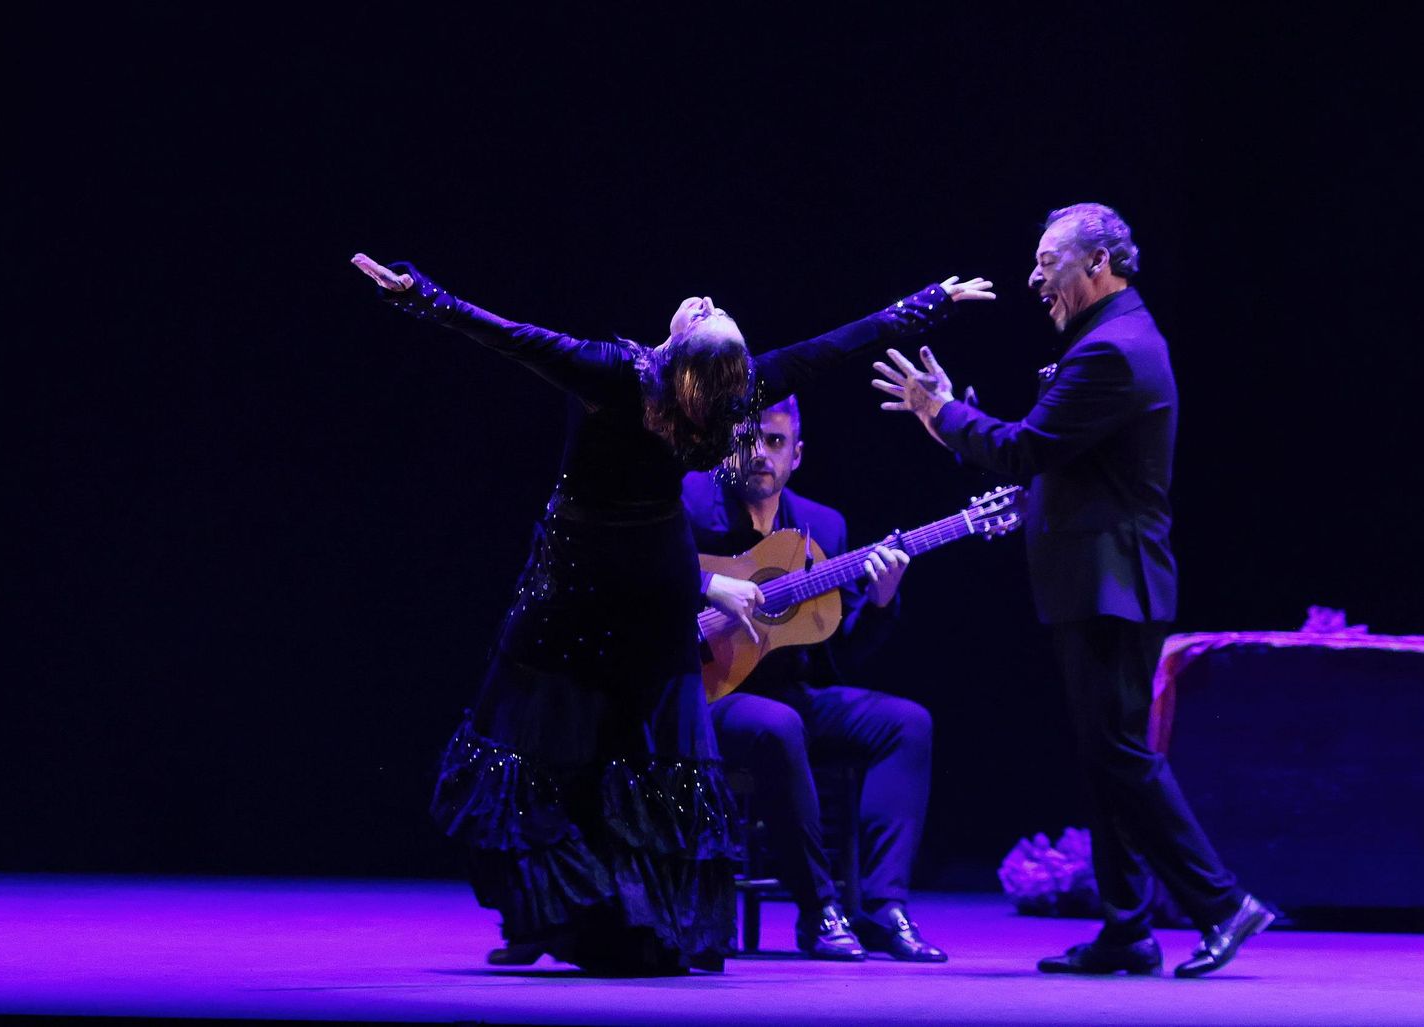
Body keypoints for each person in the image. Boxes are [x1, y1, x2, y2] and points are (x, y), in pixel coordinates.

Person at [352, 253, 992, 975]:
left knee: (556, 745)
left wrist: (423, 296)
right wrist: (932, 299)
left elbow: (511, 335)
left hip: (582, 581)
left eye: (707, 312)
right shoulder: (737, 390)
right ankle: (562, 915)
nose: (706, 296)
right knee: (618, 753)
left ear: (684, 351)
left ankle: (597, 915)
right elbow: (834, 347)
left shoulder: (616, 373)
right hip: (650, 581)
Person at [870, 204, 1272, 978]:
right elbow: (1048, 455)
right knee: (1103, 756)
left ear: (1098, 264)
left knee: (1121, 752)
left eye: (1047, 260)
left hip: (1113, 583)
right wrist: (951, 420)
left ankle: (1223, 903)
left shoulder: (1113, 352)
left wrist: (942, 411)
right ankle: (1127, 929)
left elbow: (1024, 449)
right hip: (1100, 581)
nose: (1032, 276)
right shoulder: (1114, 339)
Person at [684, 395, 947, 963]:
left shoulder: (822, 527)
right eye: (749, 439)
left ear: (796, 455)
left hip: (791, 694)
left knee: (906, 723)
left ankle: (884, 908)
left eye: (775, 443)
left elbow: (839, 654)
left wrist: (879, 603)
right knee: (778, 726)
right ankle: (820, 910)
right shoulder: (688, 505)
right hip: (703, 694)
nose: (760, 453)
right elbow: (646, 577)